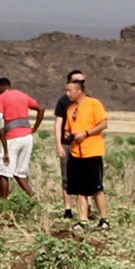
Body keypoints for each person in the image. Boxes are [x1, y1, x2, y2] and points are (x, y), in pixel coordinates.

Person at [62, 75, 110, 229]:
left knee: (96, 188)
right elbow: (67, 129)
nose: (67, 94)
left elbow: (103, 124)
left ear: (79, 91)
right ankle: (83, 220)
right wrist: (68, 136)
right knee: (79, 189)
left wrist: (86, 133)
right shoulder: (71, 109)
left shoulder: (94, 104)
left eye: (69, 91)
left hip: (92, 152)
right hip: (76, 153)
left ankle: (104, 219)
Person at [0, 77, 44, 199]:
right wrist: (34, 128)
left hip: (12, 138)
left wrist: (3, 145)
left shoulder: (2, 97)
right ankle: (33, 197)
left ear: (1, 87)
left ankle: (3, 204)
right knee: (20, 172)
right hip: (27, 137)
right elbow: (41, 109)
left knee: (4, 172)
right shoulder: (23, 95)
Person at [52, 68, 84, 218]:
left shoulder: (87, 100)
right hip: (66, 143)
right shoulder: (62, 101)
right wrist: (58, 144)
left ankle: (85, 208)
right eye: (76, 81)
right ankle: (68, 209)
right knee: (67, 176)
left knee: (84, 176)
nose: (80, 83)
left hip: (82, 144)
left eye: (82, 81)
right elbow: (58, 124)